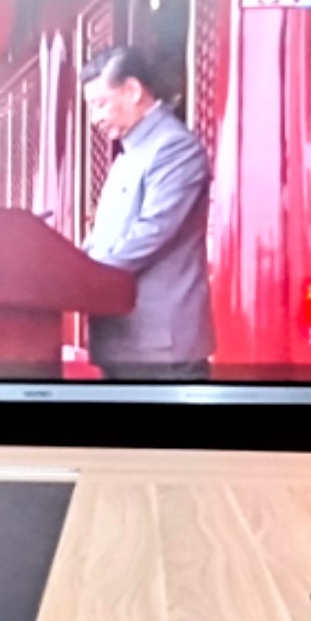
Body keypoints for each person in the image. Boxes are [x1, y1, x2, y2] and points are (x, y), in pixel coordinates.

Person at [76, 45, 215, 379]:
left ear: (133, 90)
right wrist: (72, 264)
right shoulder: (128, 153)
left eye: (100, 104)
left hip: (160, 345)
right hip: (123, 337)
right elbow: (102, 236)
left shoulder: (173, 147)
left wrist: (85, 276)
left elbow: (152, 232)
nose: (95, 119)